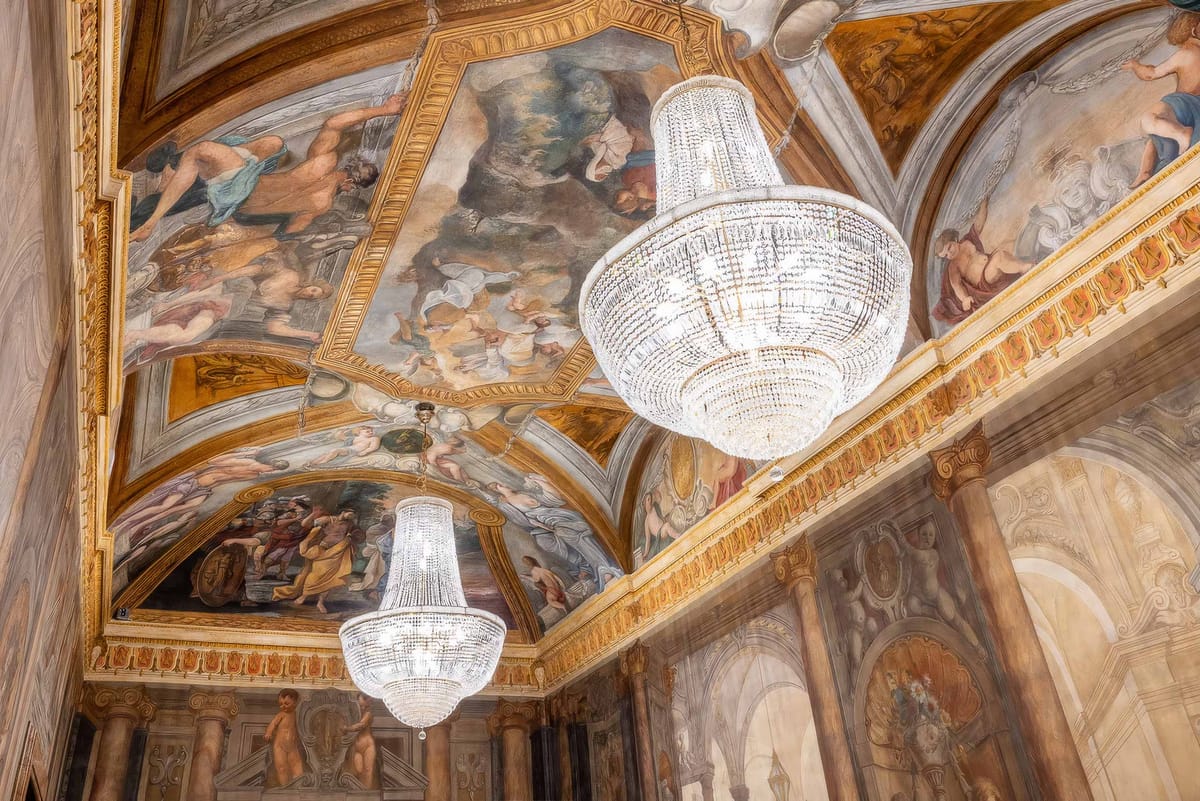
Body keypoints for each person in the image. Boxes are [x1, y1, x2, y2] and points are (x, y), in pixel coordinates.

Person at [130, 92, 409, 241]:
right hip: (242, 194)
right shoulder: (322, 204)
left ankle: (152, 220)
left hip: (239, 188)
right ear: (350, 185)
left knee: (202, 149)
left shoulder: (324, 161)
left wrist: (384, 110)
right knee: (273, 143)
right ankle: (175, 172)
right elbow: (287, 234)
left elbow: (334, 123)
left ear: (351, 167)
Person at [1122, 12, 1200, 185]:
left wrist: (1135, 65)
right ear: (1193, 29)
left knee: (1149, 119)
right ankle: (1145, 172)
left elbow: (1151, 74)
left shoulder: (1186, 53)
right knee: (1155, 137)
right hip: (1196, 108)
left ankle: (1181, 133)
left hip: (1183, 103)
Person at [931, 197, 1033, 324]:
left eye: (949, 248)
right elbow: (956, 285)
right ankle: (1024, 268)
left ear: (954, 239)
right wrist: (965, 299)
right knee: (998, 257)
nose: (949, 254)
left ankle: (1022, 267)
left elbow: (979, 223)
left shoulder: (967, 241)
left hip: (991, 268)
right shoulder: (953, 266)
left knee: (1000, 254)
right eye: (945, 255)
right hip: (984, 283)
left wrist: (984, 202)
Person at [272, 510, 358, 613]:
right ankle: (304, 596)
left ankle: (320, 602)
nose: (351, 516)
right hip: (323, 551)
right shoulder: (328, 519)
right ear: (343, 512)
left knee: (330, 580)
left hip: (337, 552)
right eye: (349, 513)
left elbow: (351, 533)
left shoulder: (350, 523)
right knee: (315, 575)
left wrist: (348, 538)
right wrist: (315, 521)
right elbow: (307, 525)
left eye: (352, 515)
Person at [265, 689, 305, 786]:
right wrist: (268, 732)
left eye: (286, 703)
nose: (283, 706)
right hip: (279, 746)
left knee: (296, 764)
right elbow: (273, 724)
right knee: (281, 767)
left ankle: (298, 784)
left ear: (295, 702)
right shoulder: (281, 714)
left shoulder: (297, 715)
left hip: (293, 746)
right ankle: (284, 785)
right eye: (281, 704)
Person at [342, 693, 379, 789]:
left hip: (368, 746)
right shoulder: (352, 714)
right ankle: (361, 792)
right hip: (356, 747)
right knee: (358, 770)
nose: (362, 708)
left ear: (368, 704)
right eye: (360, 706)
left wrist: (346, 728)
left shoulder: (368, 714)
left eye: (364, 706)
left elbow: (361, 725)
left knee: (367, 770)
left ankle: (366, 794)